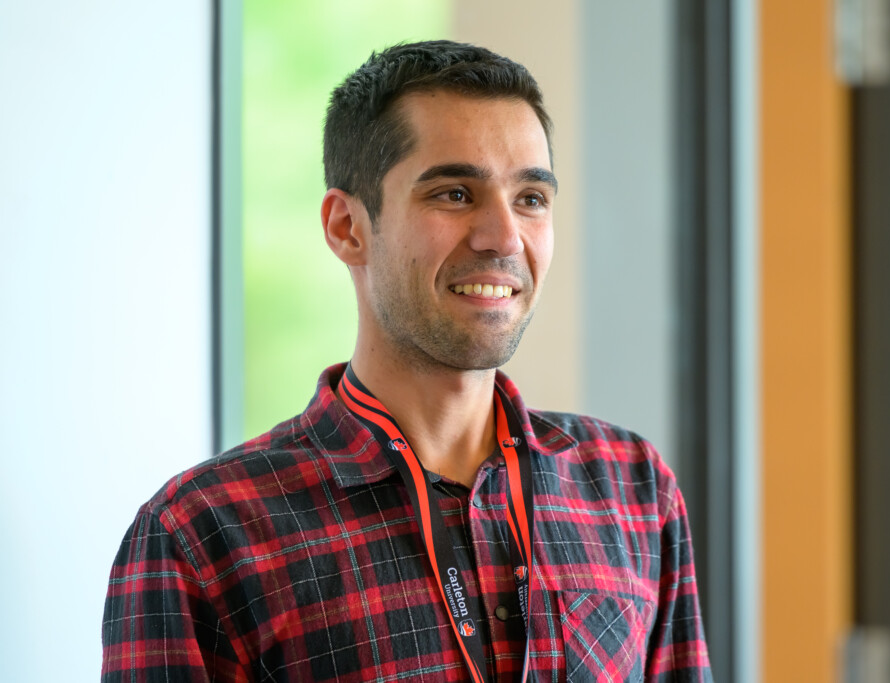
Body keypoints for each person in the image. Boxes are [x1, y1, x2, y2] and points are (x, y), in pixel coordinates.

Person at [101, 40, 712, 682]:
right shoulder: (203, 534)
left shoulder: (633, 489)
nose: (505, 238)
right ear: (346, 228)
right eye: (453, 194)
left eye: (531, 198)